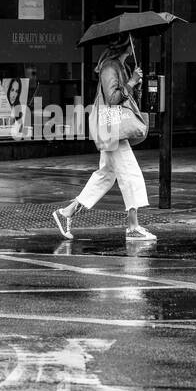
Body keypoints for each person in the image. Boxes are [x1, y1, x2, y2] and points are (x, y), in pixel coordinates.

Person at [53, 35, 156, 243]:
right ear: (124, 46)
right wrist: (131, 82)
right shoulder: (110, 67)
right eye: (132, 42)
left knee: (106, 175)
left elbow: (121, 96)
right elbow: (112, 99)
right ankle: (133, 227)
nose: (135, 45)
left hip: (113, 128)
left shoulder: (119, 66)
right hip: (112, 129)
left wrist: (134, 84)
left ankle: (66, 213)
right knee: (130, 174)